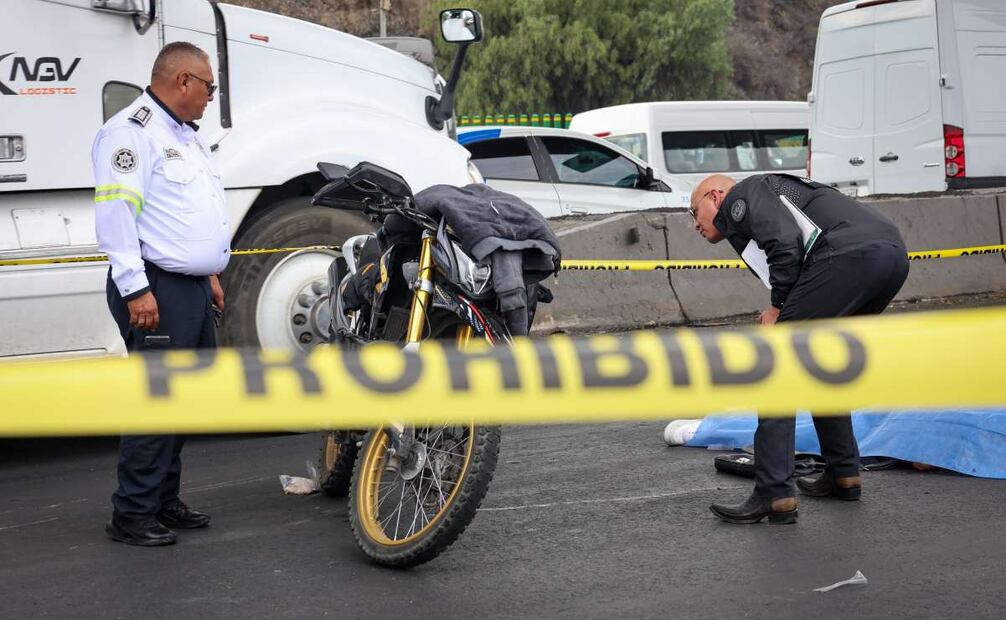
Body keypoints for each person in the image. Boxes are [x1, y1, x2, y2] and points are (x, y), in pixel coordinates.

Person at [688, 173, 908, 524]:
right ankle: (843, 473)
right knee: (822, 363)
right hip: (890, 257)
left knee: (777, 370)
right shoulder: (778, 192)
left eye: (693, 210)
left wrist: (777, 308)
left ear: (715, 196)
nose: (694, 224)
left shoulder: (742, 196)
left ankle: (774, 493)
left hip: (846, 256)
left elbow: (785, 244)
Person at [92, 42, 230, 546]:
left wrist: (210, 272)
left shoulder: (185, 136)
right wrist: (136, 290)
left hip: (188, 287)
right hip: (155, 289)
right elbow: (116, 217)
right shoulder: (130, 134)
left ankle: (162, 501)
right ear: (183, 82)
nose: (212, 96)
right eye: (209, 86)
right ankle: (131, 513)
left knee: (183, 400)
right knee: (156, 403)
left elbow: (185, 213)